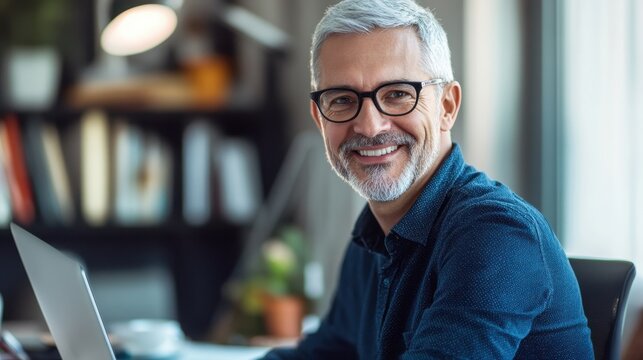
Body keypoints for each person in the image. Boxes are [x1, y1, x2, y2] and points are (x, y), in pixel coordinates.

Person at [261, 0, 594, 358]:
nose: (370, 126)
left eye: (398, 94)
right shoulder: (373, 238)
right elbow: (327, 353)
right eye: (342, 100)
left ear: (447, 106)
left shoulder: (497, 233)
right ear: (319, 118)